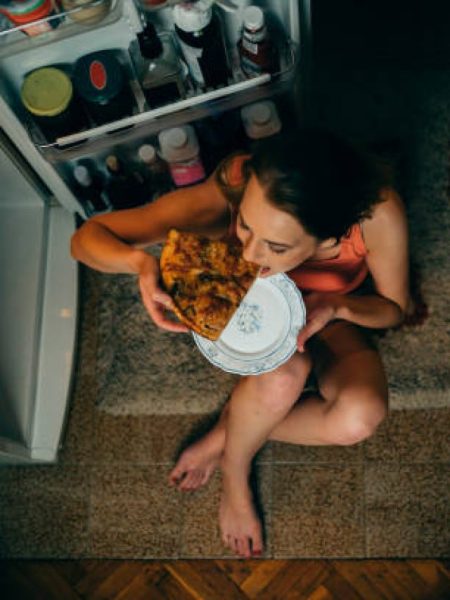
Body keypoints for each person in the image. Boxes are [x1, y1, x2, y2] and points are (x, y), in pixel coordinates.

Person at [71, 128, 410, 559]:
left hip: (328, 317)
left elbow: (393, 308)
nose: (250, 254)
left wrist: (339, 306)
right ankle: (235, 473)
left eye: (277, 246)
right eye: (246, 227)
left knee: (360, 418)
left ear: (330, 237)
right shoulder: (237, 180)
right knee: (283, 376)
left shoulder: (376, 214)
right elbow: (85, 240)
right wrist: (139, 263)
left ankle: (230, 432)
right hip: (240, 317)